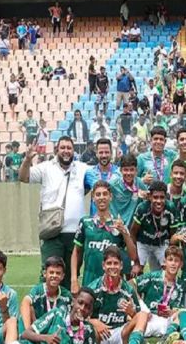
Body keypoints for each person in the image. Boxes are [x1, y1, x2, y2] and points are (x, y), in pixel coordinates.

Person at [20, 137, 90, 281]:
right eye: (62, 148)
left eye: (69, 148)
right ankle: (46, 303)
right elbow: (23, 177)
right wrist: (27, 160)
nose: (66, 151)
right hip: (52, 232)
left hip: (75, 233)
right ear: (57, 149)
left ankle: (69, 303)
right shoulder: (46, 167)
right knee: (50, 275)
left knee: (72, 276)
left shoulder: (82, 168)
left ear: (74, 151)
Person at [86, 246, 149, 344]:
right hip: (101, 335)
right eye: (109, 263)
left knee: (143, 315)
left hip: (121, 334)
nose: (112, 267)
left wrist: (132, 313)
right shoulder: (93, 288)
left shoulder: (128, 289)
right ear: (103, 265)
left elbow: (137, 319)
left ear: (121, 265)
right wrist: (95, 322)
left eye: (116, 263)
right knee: (89, 327)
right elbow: (80, 316)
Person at [71, 180, 138, 292]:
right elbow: (76, 252)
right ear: (93, 198)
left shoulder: (119, 224)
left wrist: (125, 233)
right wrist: (73, 279)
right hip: (89, 282)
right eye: (98, 194)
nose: (101, 197)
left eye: (105, 194)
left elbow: (133, 256)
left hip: (114, 285)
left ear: (110, 197)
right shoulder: (85, 222)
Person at [136, 246, 186, 344]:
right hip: (150, 319)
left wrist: (173, 311)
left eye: (176, 261)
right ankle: (140, 341)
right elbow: (131, 285)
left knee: (181, 315)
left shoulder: (183, 284)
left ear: (181, 264)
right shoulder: (152, 277)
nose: (173, 264)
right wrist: (144, 308)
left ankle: (166, 337)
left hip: (168, 322)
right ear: (164, 262)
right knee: (138, 320)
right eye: (170, 260)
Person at [130, 180, 179, 271]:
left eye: (162, 197)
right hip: (143, 242)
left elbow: (173, 235)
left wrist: (170, 255)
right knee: (137, 270)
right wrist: (136, 261)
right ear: (149, 197)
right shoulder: (142, 208)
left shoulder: (170, 208)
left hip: (161, 243)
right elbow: (132, 233)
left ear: (166, 197)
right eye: (155, 197)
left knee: (166, 270)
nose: (159, 201)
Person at [19, 256, 72, 330]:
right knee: (28, 309)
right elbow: (25, 302)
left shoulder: (66, 295)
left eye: (58, 273)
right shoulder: (38, 290)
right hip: (37, 330)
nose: (54, 275)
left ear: (62, 276)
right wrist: (28, 331)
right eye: (51, 272)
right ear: (45, 274)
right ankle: (25, 337)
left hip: (55, 331)